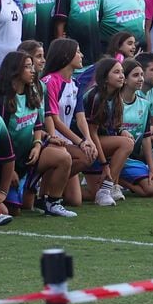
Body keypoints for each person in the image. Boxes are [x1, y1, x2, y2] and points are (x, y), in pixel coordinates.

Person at [0, 51, 77, 218]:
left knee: (63, 157)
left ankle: (53, 203)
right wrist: (11, 169)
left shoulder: (32, 92)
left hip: (28, 155)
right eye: (27, 67)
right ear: (14, 70)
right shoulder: (2, 100)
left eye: (32, 66)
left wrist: (37, 145)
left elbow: (38, 123)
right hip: (5, 161)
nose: (33, 71)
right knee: (14, 211)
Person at [41, 39, 97, 207]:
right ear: (66, 55)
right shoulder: (50, 81)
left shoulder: (75, 83)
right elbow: (54, 119)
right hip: (50, 139)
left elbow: (80, 117)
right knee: (83, 155)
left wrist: (88, 140)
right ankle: (42, 188)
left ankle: (52, 185)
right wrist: (80, 142)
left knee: (75, 201)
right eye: (78, 51)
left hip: (65, 141)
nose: (82, 55)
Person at [83, 58, 135, 206]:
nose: (122, 76)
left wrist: (122, 130)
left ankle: (107, 188)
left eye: (122, 73)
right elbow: (92, 132)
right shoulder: (95, 96)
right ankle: (106, 189)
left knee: (86, 195)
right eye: (116, 72)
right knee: (126, 144)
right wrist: (104, 164)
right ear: (105, 77)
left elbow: (112, 127)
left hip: (100, 141)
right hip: (85, 142)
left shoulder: (116, 96)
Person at [116, 58, 153, 198]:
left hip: (128, 159)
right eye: (136, 75)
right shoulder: (114, 101)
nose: (140, 79)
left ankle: (121, 181)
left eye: (141, 75)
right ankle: (108, 178)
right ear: (124, 79)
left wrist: (152, 170)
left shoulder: (144, 104)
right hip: (110, 156)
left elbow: (146, 137)